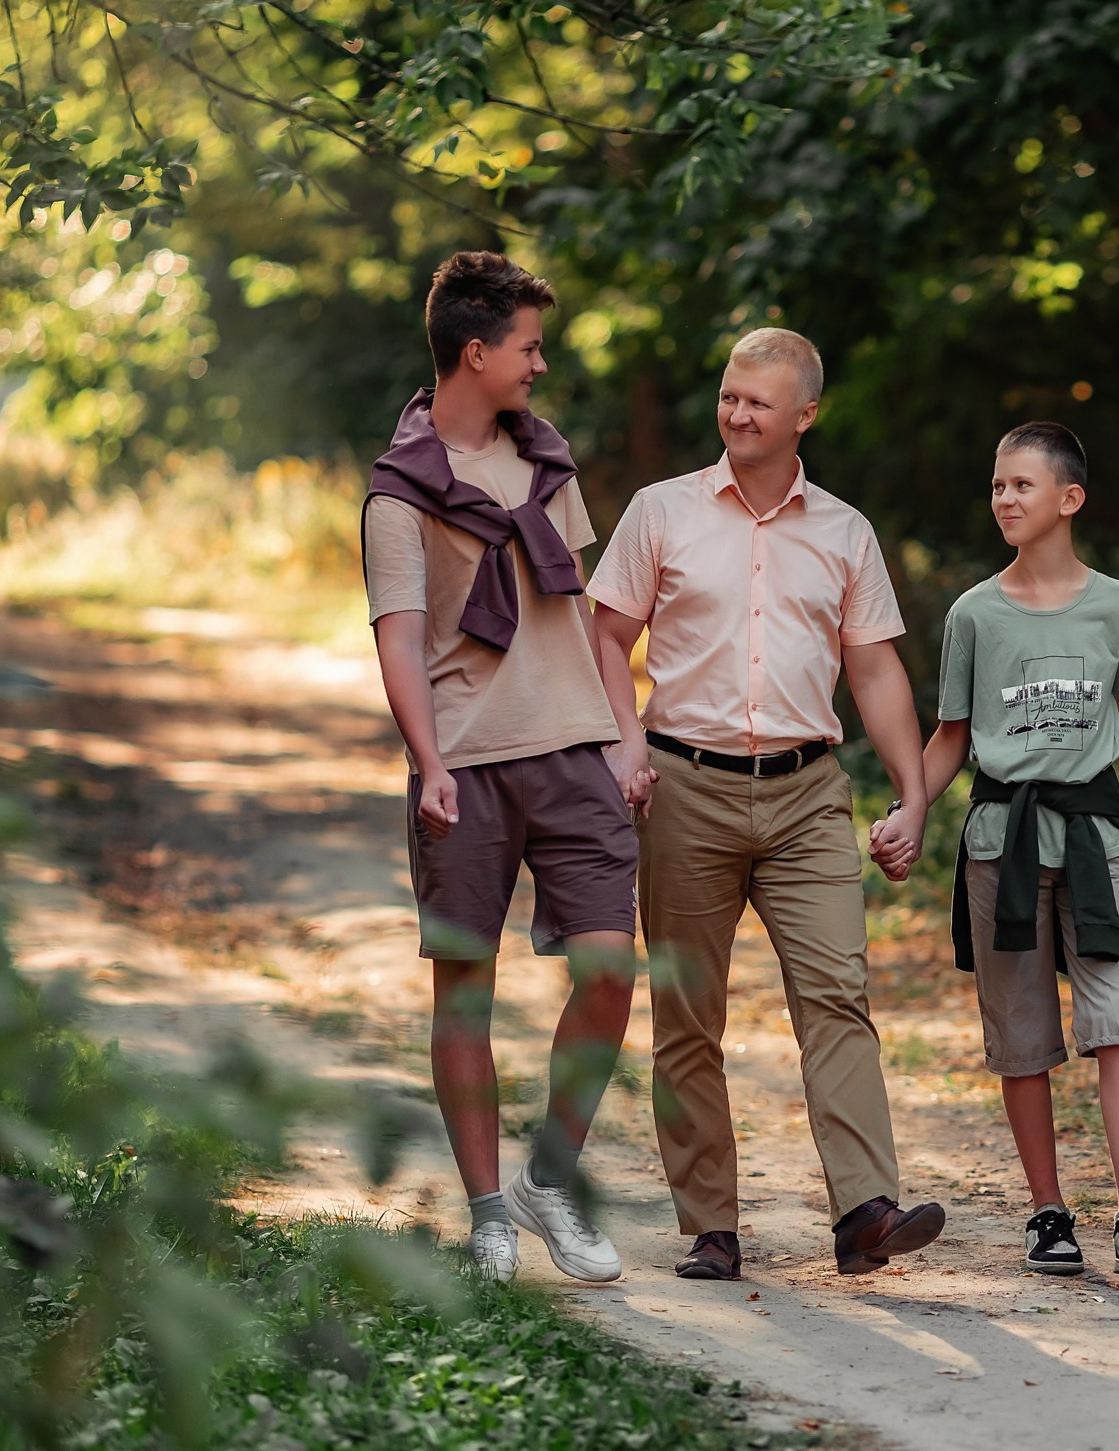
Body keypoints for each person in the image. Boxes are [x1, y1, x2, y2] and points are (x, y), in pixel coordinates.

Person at [587, 327, 946, 1282]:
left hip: (808, 797)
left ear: (805, 416)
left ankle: (865, 1211)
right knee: (687, 1015)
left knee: (838, 996)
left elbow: (873, 668)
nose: (737, 413)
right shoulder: (661, 512)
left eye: (758, 401)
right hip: (682, 787)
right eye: (728, 395)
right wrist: (624, 743)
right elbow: (605, 635)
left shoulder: (843, 531)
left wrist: (912, 796)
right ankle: (711, 1224)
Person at [364, 251, 653, 1285]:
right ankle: (488, 1211)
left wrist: (625, 732)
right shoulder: (398, 496)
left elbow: (578, 611)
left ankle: (549, 1176)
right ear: (474, 351)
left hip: (572, 748)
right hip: (468, 765)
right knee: (464, 996)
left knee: (610, 968)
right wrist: (426, 760)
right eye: (527, 346)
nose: (539, 363)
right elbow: (399, 641)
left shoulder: (547, 465)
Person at [894, 422, 1119, 1276]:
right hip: (1003, 844)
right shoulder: (972, 613)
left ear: (1069, 498)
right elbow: (951, 734)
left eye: (1021, 486)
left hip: (1096, 840)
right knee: (1022, 1036)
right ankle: (1048, 1211)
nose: (1003, 499)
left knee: (1118, 1024)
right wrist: (910, 811)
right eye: (996, 486)